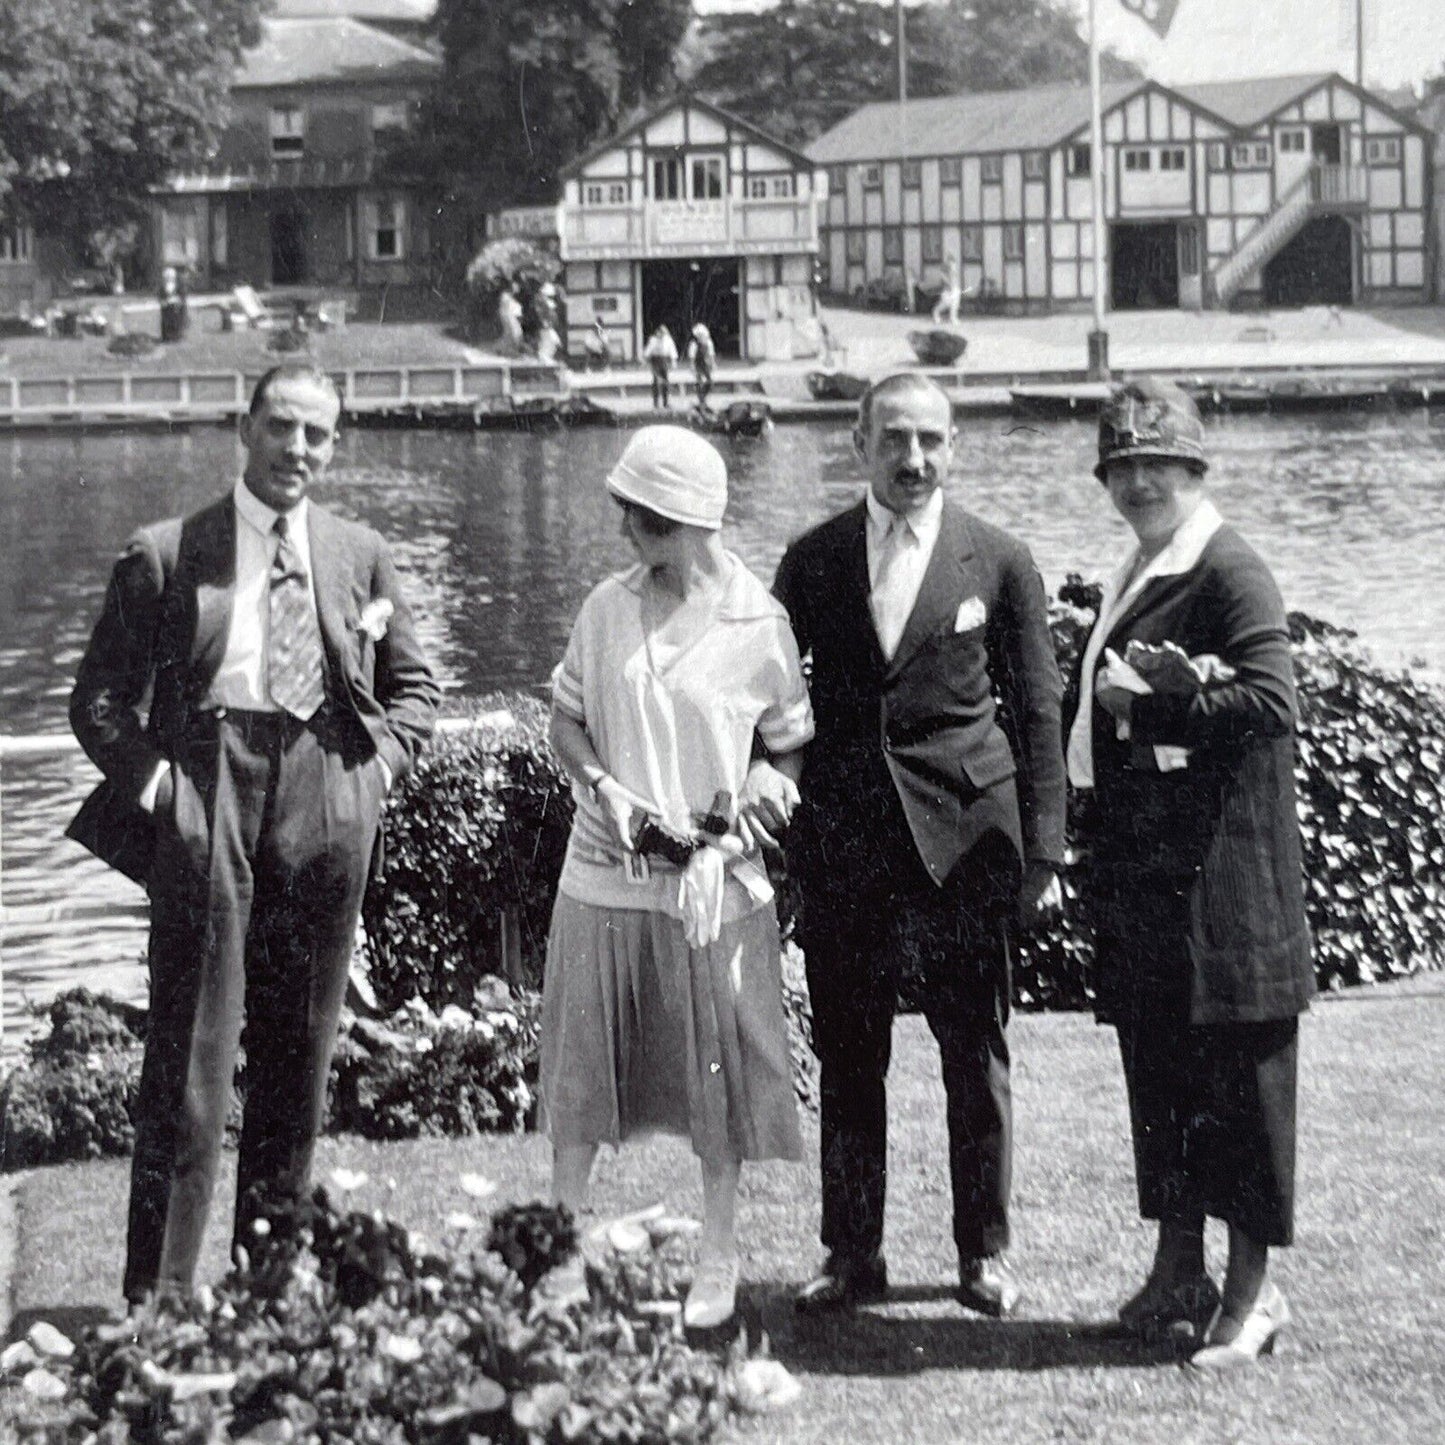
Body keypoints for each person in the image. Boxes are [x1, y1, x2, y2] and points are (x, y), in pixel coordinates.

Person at [67, 362, 441, 1303]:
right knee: (189, 1063)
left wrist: (372, 776)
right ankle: (158, 1300)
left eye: (318, 434)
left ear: (335, 444)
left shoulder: (359, 550)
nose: (298, 449)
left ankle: (268, 1285)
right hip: (210, 784)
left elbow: (415, 690)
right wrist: (164, 791)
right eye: (282, 427)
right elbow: (99, 702)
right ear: (245, 427)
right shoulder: (166, 549)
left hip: (325, 792)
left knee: (299, 1054)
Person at [774, 373, 1066, 1318]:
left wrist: (1047, 853)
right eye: (893, 438)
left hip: (965, 847)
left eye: (932, 441)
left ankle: (982, 1253)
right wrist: (769, 814)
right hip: (849, 843)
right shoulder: (811, 560)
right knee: (850, 1057)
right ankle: (852, 1251)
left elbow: (1035, 710)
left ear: (955, 446)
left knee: (971, 1051)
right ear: (856, 442)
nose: (913, 460)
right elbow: (771, 703)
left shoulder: (1000, 558)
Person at [540, 425, 813, 1331]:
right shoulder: (604, 607)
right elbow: (565, 723)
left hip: (712, 891)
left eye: (647, 520)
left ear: (696, 522)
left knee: (714, 1081)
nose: (630, 534)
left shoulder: (757, 622)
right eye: (626, 514)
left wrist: (724, 847)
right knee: (582, 1075)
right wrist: (602, 786)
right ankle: (561, 1253)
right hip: (601, 877)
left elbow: (784, 758)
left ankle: (719, 1253)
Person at [1065, 378, 1313, 1367]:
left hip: (1226, 886)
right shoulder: (1146, 560)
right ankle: (1178, 1273)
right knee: (1162, 1078)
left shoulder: (1227, 568)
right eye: (1119, 466)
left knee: (1240, 1089)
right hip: (1156, 880)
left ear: (1192, 468)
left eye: (1153, 464)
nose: (1134, 480)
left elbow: (1270, 705)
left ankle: (1252, 1295)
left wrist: (1147, 711)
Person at [643, 324, 678, 410]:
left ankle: (666, 403)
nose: (662, 335)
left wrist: (673, 361)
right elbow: (648, 351)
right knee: (656, 382)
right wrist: (645, 359)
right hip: (655, 360)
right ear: (657, 332)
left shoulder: (668, 340)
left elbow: (672, 350)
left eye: (664, 333)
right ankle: (656, 403)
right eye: (660, 333)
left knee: (666, 381)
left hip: (664, 360)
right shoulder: (653, 340)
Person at [687, 322, 716, 410]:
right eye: (699, 335)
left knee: (710, 382)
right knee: (699, 382)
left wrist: (713, 363)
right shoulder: (694, 344)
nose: (701, 337)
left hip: (706, 364)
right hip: (698, 364)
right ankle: (701, 400)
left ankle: (703, 398)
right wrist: (692, 366)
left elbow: (711, 354)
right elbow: (692, 356)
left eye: (702, 335)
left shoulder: (709, 343)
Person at [932, 257, 962, 327]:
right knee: (944, 305)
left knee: (955, 305)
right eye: (951, 264)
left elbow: (955, 282)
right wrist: (950, 285)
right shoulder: (944, 273)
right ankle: (935, 314)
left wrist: (956, 289)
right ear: (948, 264)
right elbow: (947, 282)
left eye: (953, 264)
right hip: (947, 292)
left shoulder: (955, 273)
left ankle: (953, 318)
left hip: (955, 291)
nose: (953, 266)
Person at [497, 286, 524, 353]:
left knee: (515, 332)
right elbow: (504, 307)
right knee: (511, 332)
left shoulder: (512, 298)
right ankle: (501, 349)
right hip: (507, 316)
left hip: (511, 317)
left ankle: (513, 348)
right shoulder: (505, 296)